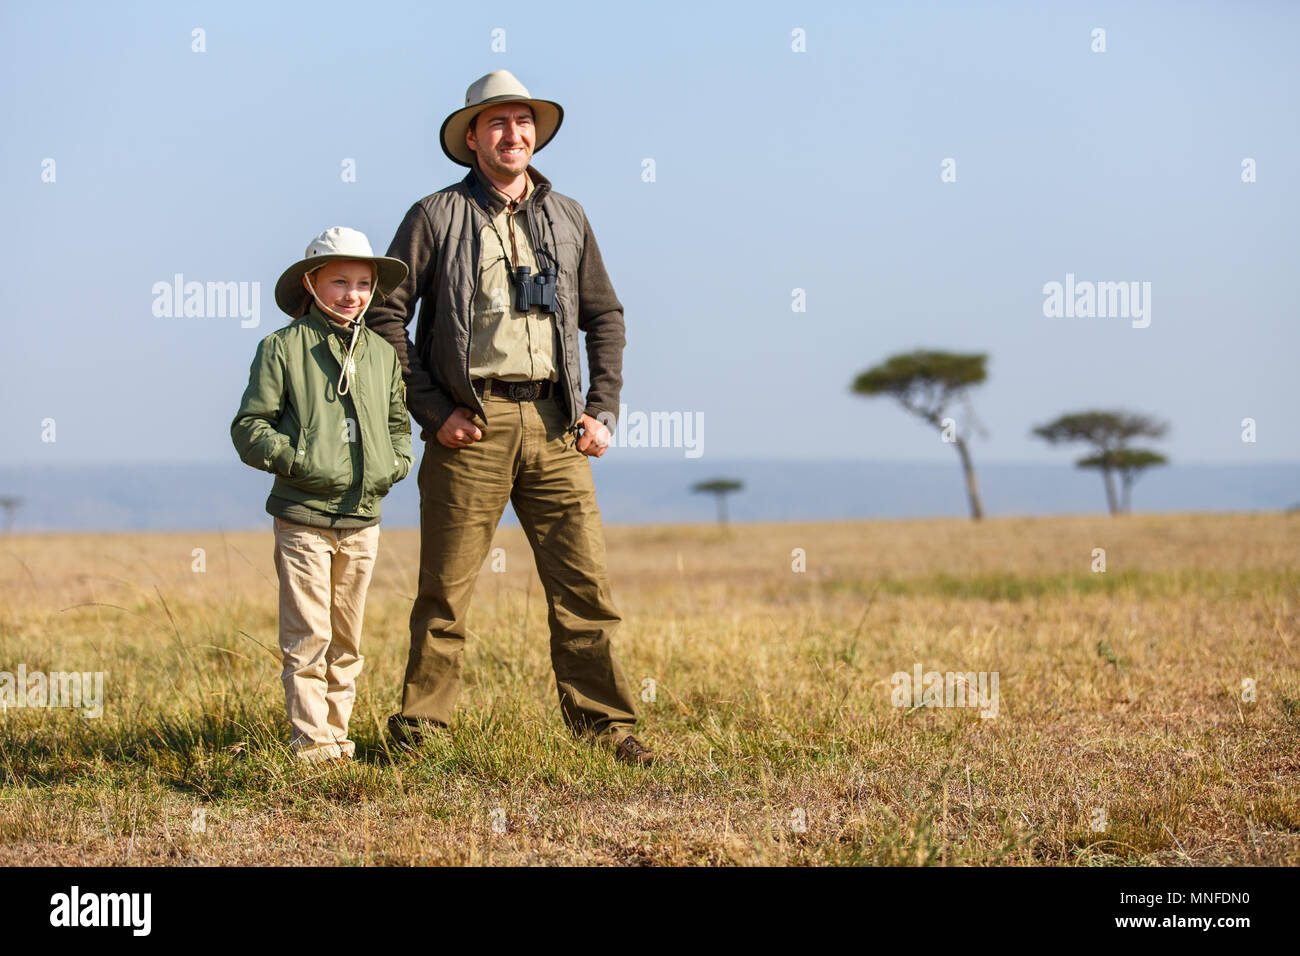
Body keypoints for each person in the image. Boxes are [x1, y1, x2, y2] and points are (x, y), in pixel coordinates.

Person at [365, 70, 654, 765]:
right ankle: (422, 737)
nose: (513, 134)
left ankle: (608, 729)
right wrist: (433, 411)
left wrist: (602, 409)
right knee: (445, 591)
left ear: (536, 133)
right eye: (496, 122)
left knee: (584, 587)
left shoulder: (569, 215)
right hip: (473, 425)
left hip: (557, 426)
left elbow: (604, 315)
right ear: (471, 138)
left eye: (523, 121)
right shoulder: (434, 215)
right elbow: (384, 314)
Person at [231, 227, 414, 764]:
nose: (351, 294)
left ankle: (339, 741)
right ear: (311, 283)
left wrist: (393, 465)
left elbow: (397, 423)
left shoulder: (381, 353)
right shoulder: (282, 349)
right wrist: (301, 461)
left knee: (347, 641)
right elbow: (249, 427)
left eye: (362, 283)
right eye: (338, 281)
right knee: (308, 636)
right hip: (304, 518)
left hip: (363, 519)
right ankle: (313, 750)